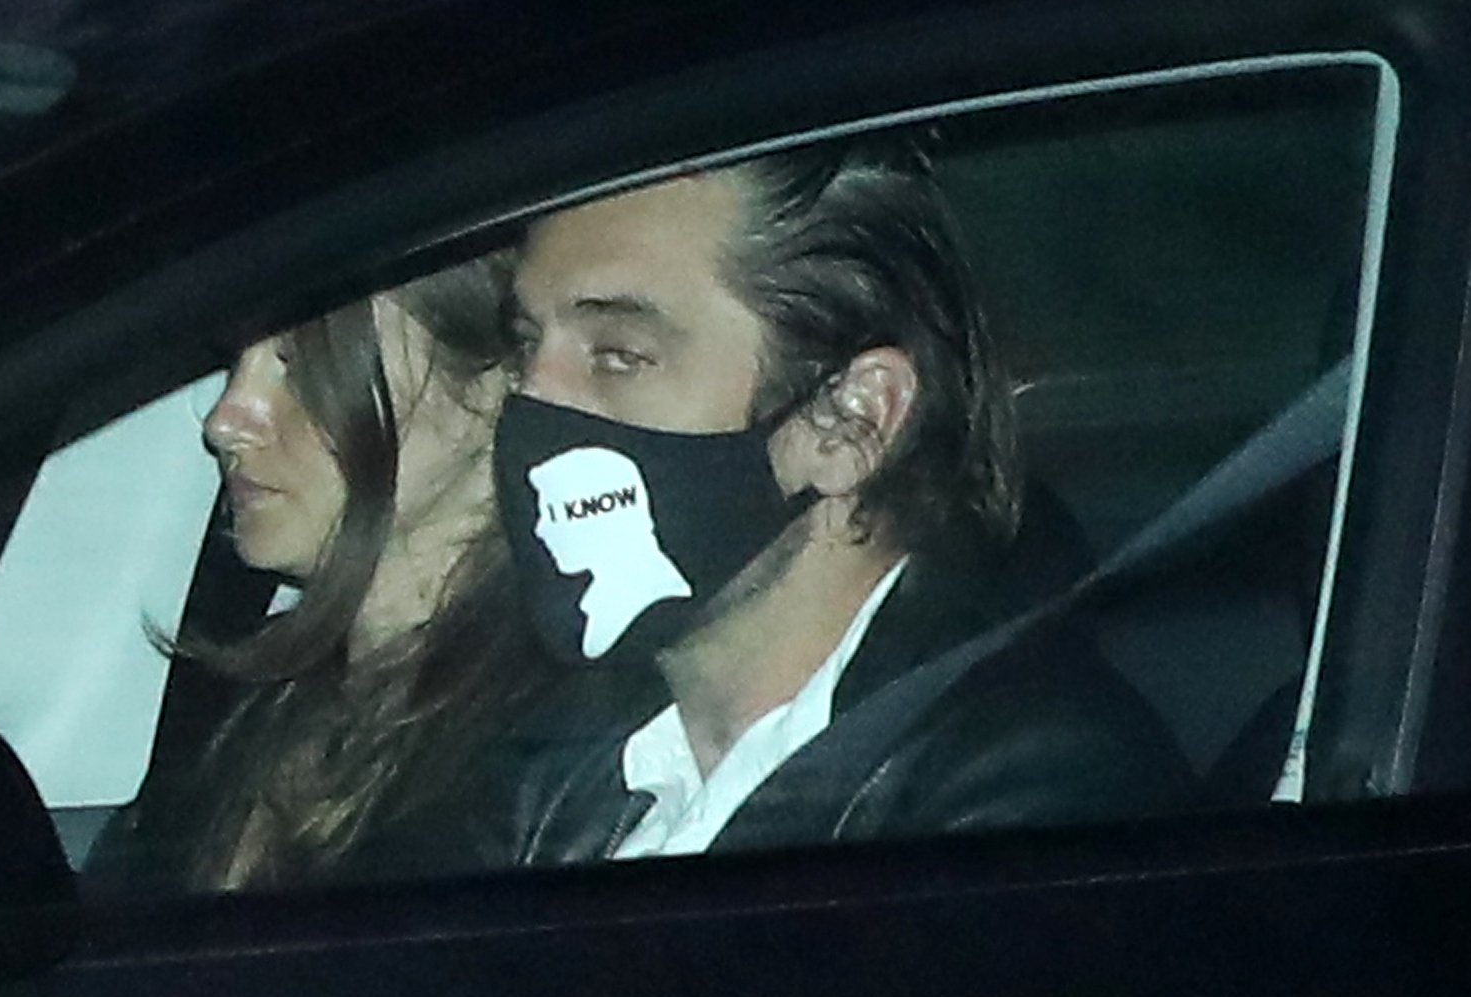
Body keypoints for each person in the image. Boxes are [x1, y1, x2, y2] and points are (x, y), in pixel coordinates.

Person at [485, 136, 1190, 861]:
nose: (532, 408)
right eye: (523, 347)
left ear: (851, 421)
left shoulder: (1025, 809)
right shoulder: (554, 778)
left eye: (620, 355)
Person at [111, 252, 556, 891]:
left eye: (297, 367)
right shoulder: (264, 704)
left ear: (497, 387)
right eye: (237, 365)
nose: (224, 422)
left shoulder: (535, 762)